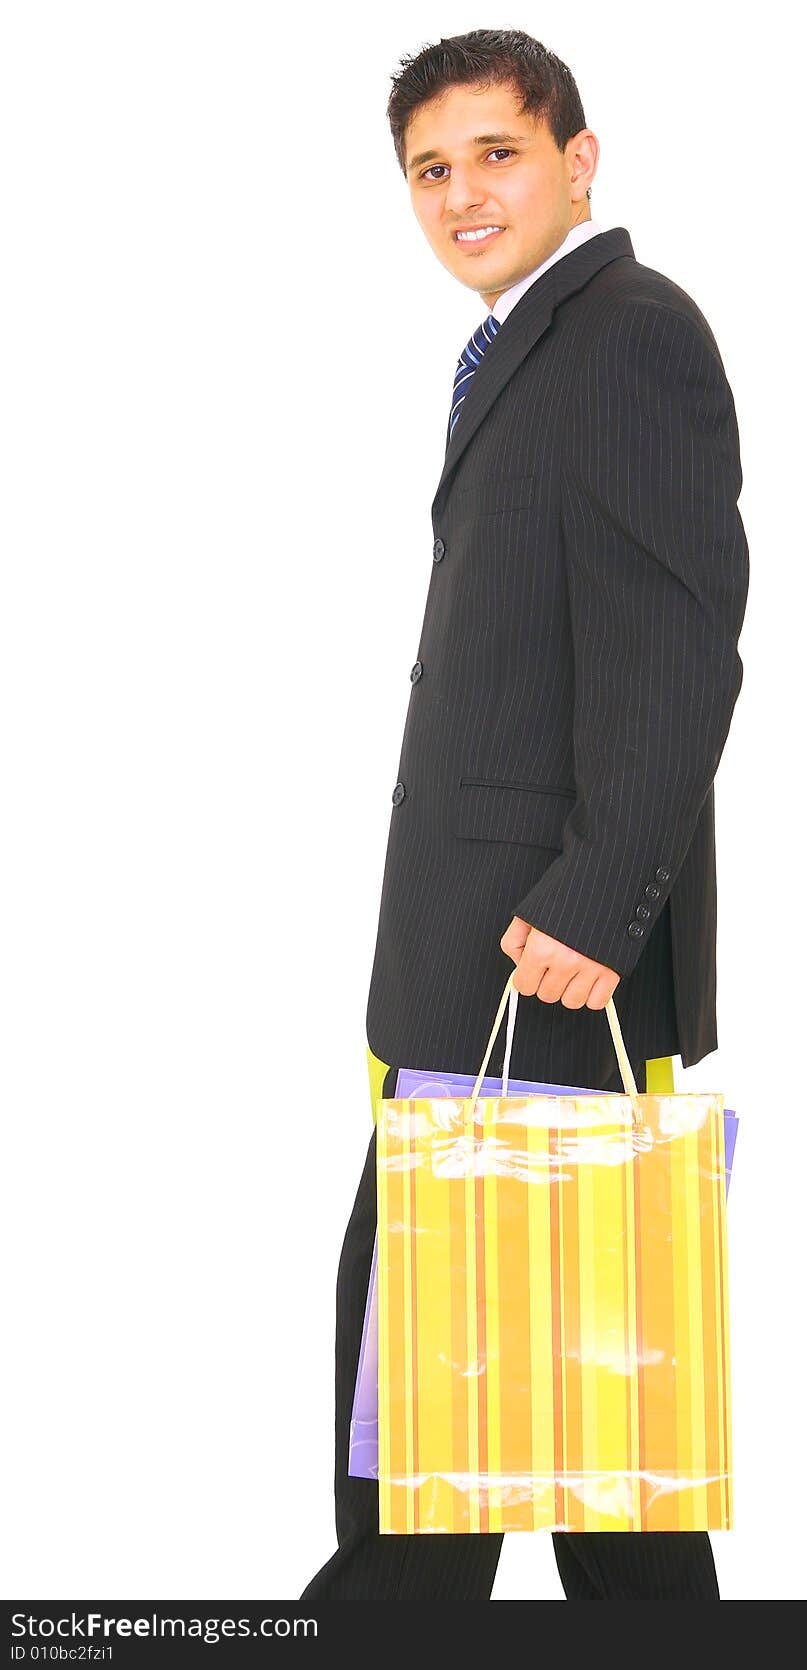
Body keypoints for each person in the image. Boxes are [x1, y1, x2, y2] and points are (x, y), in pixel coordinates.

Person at [299, 27, 749, 1602]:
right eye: (430, 167)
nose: (460, 192)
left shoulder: (625, 332)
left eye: (497, 151)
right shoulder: (527, 341)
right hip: (485, 967)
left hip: (541, 972)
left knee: (430, 1451)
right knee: (577, 1453)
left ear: (580, 158)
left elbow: (681, 637)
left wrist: (595, 897)